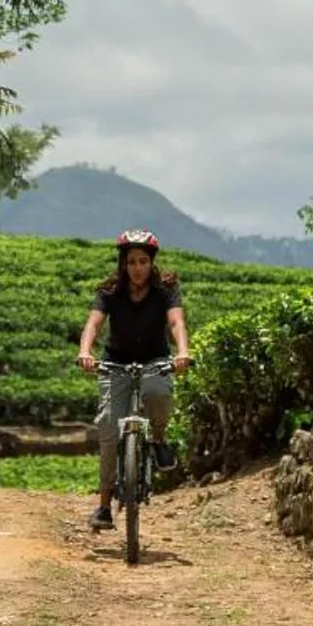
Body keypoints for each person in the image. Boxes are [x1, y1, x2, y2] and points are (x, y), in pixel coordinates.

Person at [76, 228, 191, 531]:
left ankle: (159, 439)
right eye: (131, 262)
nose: (137, 268)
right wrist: (85, 351)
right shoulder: (110, 292)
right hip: (116, 363)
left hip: (155, 359)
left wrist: (183, 352)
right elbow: (93, 323)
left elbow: (176, 321)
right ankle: (103, 505)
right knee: (108, 425)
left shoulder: (166, 289)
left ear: (152, 263)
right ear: (123, 264)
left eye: (143, 261)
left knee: (159, 394)